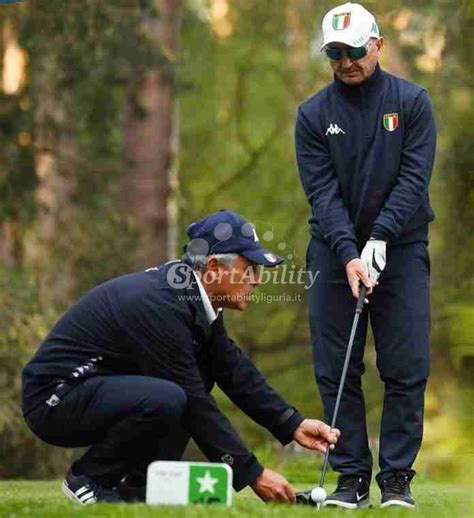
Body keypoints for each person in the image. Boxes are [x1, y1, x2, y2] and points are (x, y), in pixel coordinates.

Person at [22, 209, 340, 505]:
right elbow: (195, 403)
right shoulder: (162, 307)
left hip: (94, 390)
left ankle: (139, 490)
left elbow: (232, 368)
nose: (256, 280)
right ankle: (89, 479)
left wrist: (291, 423)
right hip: (54, 399)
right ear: (214, 268)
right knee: (175, 395)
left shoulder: (194, 297)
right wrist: (252, 474)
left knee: (196, 378)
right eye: (249, 268)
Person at [295, 2, 436, 509]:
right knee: (336, 368)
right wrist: (351, 252)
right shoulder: (313, 114)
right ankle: (350, 477)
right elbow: (323, 193)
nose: (346, 61)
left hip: (400, 250)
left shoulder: (413, 102)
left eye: (355, 50)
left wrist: (380, 237)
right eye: (335, 53)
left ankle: (396, 478)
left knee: (406, 364)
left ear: (377, 44)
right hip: (335, 254)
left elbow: (414, 179)